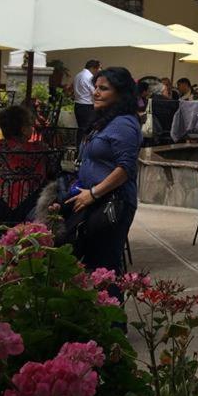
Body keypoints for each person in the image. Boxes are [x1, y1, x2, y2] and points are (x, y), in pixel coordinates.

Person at [66, 67, 141, 278]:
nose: (95, 92)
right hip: (92, 199)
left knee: (105, 268)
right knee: (89, 265)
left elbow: (126, 168)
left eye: (104, 88)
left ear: (121, 93)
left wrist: (94, 193)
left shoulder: (124, 123)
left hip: (112, 203)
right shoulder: (104, 121)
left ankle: (111, 308)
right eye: (95, 87)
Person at [0, 105, 53, 226]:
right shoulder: (40, 149)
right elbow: (52, 173)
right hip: (30, 212)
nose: (32, 128)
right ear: (24, 129)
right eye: (30, 125)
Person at [72, 59, 100, 143]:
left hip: (78, 105)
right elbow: (94, 92)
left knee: (81, 128)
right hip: (87, 105)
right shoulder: (89, 77)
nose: (99, 71)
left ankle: (78, 148)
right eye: (99, 68)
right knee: (87, 129)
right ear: (93, 68)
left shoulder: (78, 75)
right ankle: (83, 149)